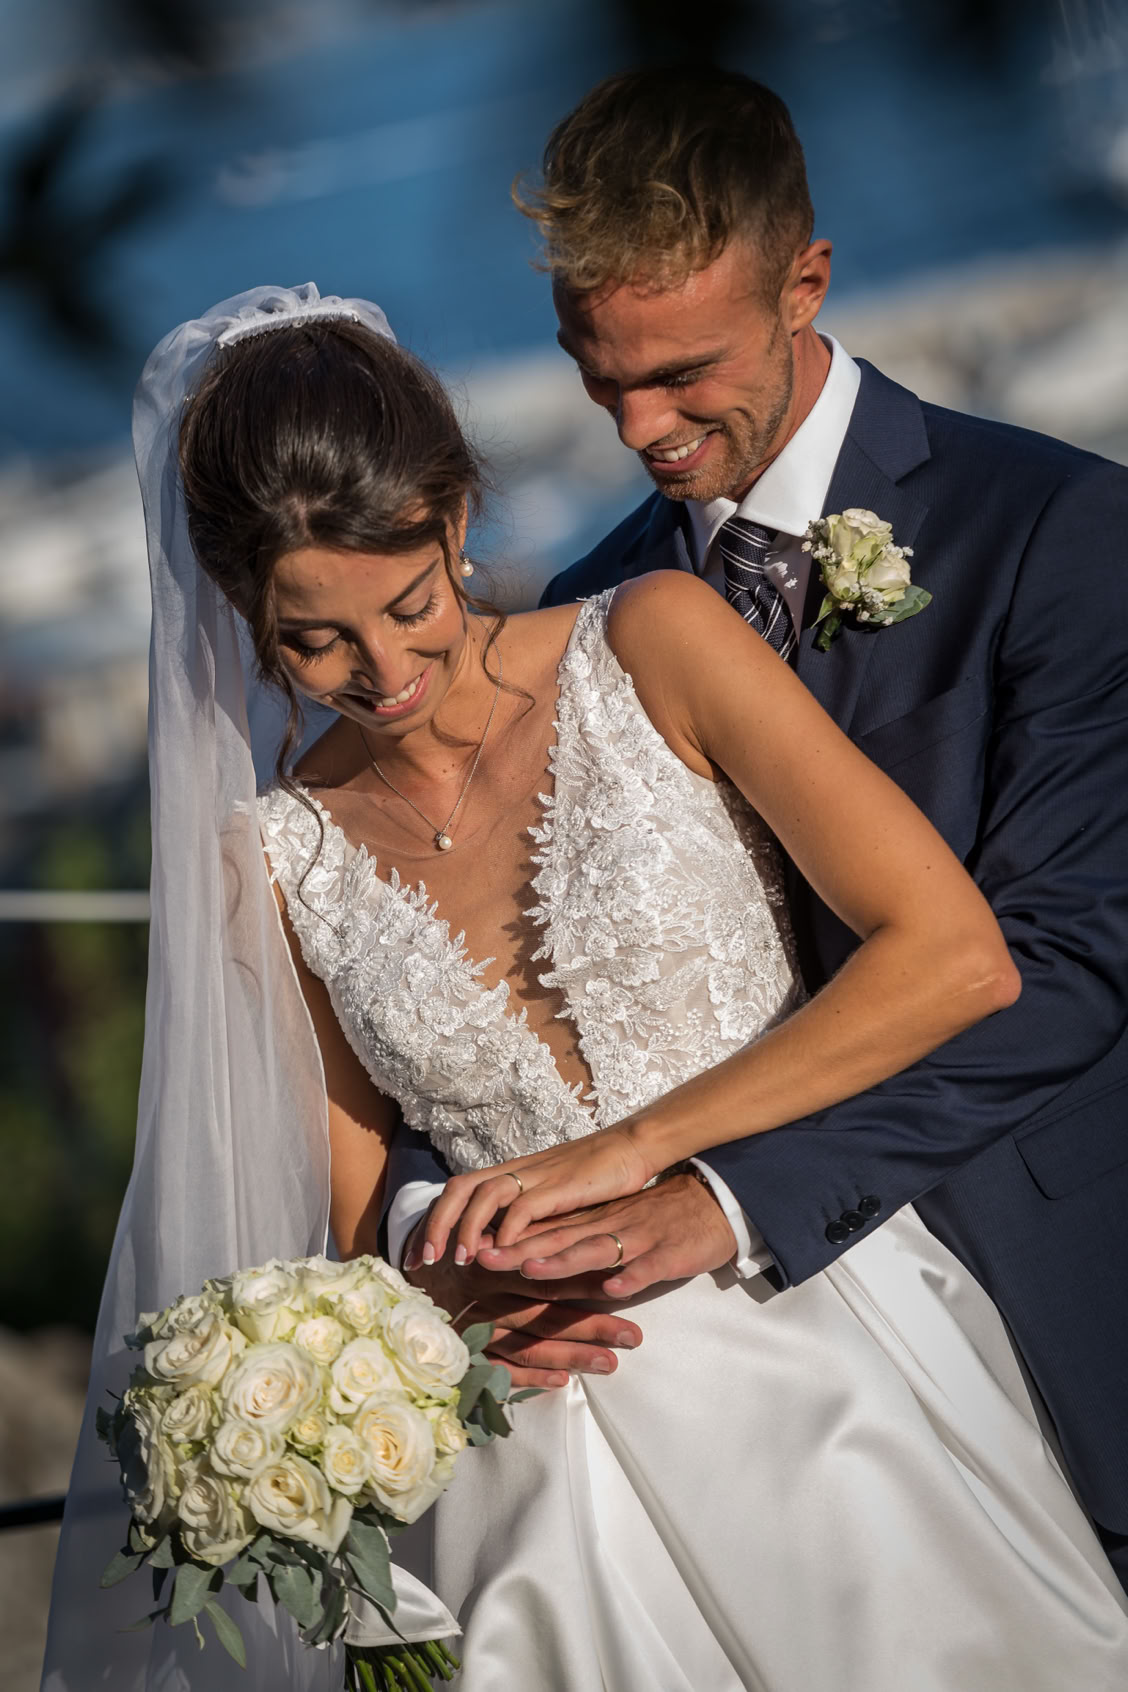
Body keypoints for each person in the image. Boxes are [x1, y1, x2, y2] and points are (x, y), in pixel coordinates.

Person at [64, 279, 1119, 1692]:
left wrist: (637, 1155)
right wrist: (452, 1305)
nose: (384, 672)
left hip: (815, 1330)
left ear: (453, 520)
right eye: (314, 639)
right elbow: (359, 1211)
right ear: (243, 618)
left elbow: (953, 957)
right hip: (545, 1429)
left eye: (411, 603)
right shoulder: (271, 857)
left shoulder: (658, 641)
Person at [382, 65, 1128, 1596]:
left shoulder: (1061, 532)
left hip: (1060, 1300)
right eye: (601, 380)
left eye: (685, 375)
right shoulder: (588, 611)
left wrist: (717, 1202)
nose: (643, 427)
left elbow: (1069, 965)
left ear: (808, 283)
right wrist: (440, 1230)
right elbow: (490, 964)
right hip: (748, 1393)